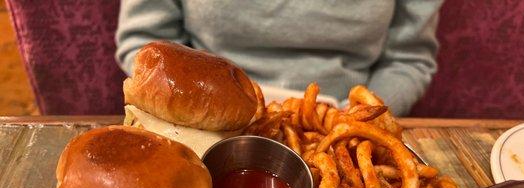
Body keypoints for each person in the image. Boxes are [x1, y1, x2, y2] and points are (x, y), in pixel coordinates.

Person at [115, 0, 442, 116]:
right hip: (205, 120)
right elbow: (143, 44)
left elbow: (408, 59)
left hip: (344, 121)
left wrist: (355, 119)